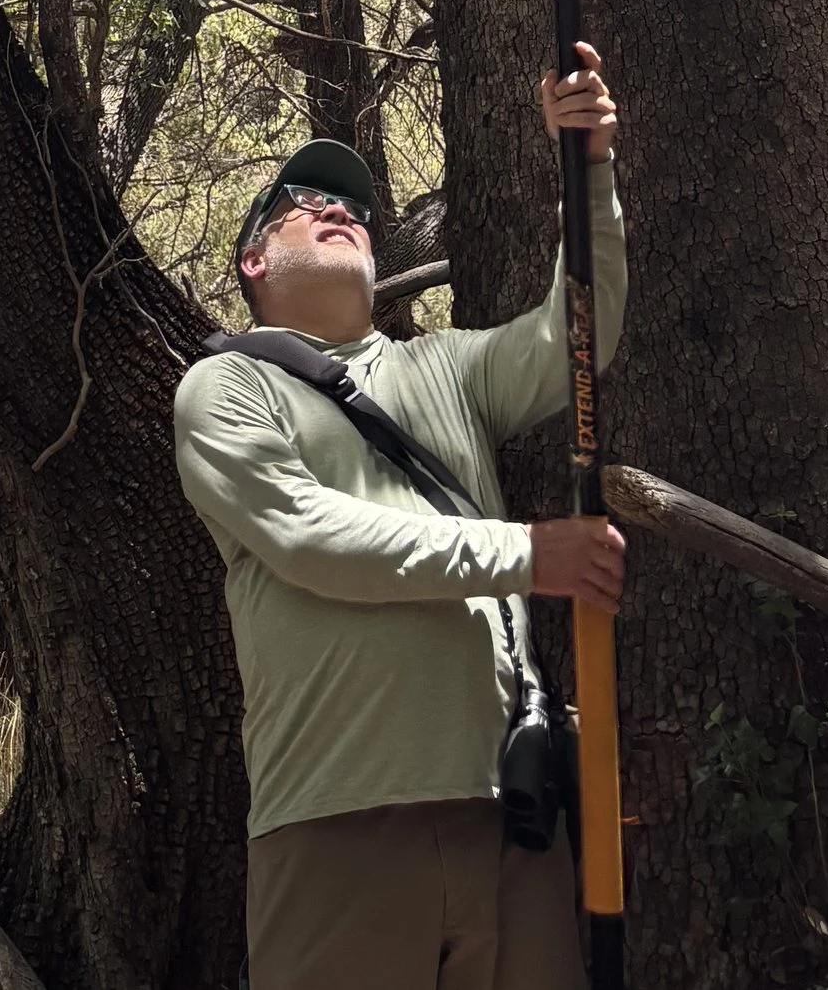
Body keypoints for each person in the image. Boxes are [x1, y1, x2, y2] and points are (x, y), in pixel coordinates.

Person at [173, 49, 628, 990]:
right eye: (303, 199)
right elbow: (308, 534)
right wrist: (528, 553)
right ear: (254, 258)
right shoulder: (222, 388)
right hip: (337, 818)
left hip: (512, 818)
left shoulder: (449, 366)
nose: (340, 208)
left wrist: (587, 168)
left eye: (356, 209)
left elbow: (578, 337)